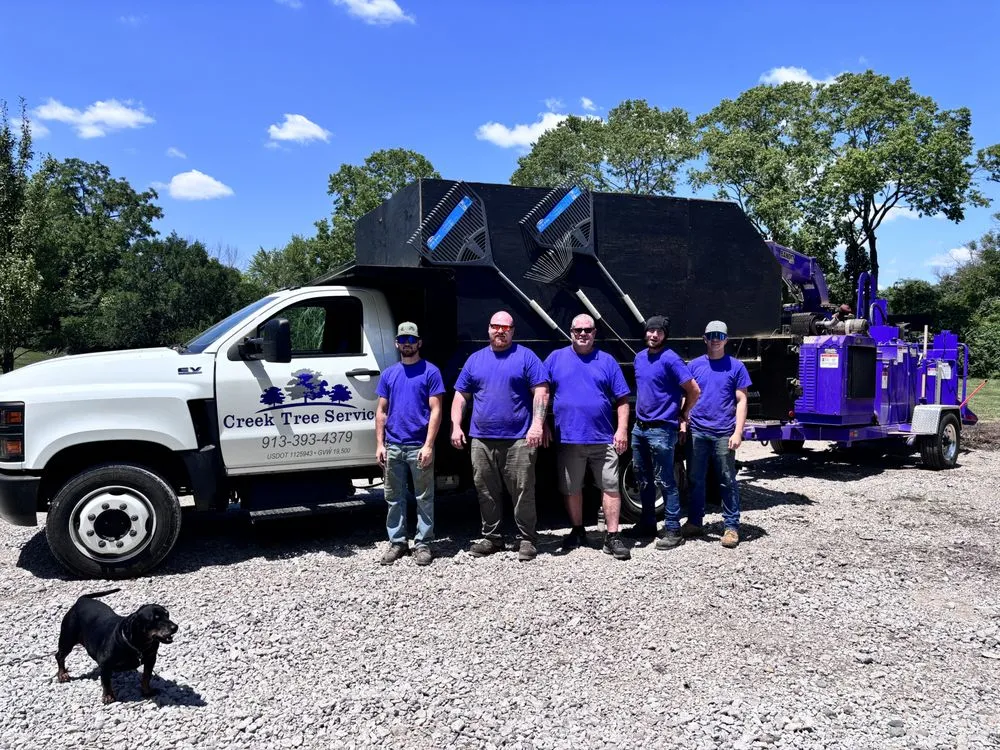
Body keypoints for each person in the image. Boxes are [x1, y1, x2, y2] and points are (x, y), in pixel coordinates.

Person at [451, 311, 549, 561]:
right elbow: (461, 395)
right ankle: (492, 538)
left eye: (506, 327)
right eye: (496, 326)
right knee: (485, 490)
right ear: (488, 329)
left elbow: (541, 391)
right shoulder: (475, 360)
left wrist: (537, 425)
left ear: (513, 331)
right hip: (481, 439)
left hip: (519, 439)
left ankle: (527, 538)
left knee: (523, 490)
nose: (500, 331)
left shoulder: (526, 357)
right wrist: (456, 426)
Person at [545, 314, 631, 560]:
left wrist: (622, 430)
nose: (582, 334)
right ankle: (578, 530)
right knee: (572, 488)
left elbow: (623, 399)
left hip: (603, 438)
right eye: (578, 330)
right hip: (568, 438)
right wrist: (541, 424)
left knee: (611, 487)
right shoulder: (555, 359)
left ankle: (612, 537)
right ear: (570, 332)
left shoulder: (607, 361)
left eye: (588, 330)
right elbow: (540, 392)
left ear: (595, 333)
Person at [375, 322, 446, 566]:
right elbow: (381, 411)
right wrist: (380, 444)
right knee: (393, 497)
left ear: (419, 342)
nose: (407, 344)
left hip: (419, 445)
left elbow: (436, 410)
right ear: (397, 343)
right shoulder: (389, 374)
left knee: (424, 497)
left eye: (411, 339)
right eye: (402, 340)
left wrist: (428, 445)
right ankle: (398, 542)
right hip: (393, 444)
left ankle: (424, 543)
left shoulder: (430, 372)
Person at [629, 315, 700, 549]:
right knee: (643, 478)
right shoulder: (639, 358)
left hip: (662, 429)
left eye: (659, 332)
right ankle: (647, 522)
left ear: (665, 335)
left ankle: (672, 528)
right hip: (640, 428)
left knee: (666, 480)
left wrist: (683, 413)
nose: (654, 335)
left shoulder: (671, 359)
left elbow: (694, 390)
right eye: (650, 331)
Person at [684, 320, 751, 549]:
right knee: (695, 478)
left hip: (724, 432)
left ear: (726, 339)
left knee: (726, 479)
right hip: (697, 431)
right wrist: (684, 420)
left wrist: (738, 432)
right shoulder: (693, 366)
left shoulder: (736, 367)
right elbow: (687, 395)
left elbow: (742, 401)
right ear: (704, 338)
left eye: (719, 335)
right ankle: (694, 522)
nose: (715, 339)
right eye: (711, 335)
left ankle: (731, 527)